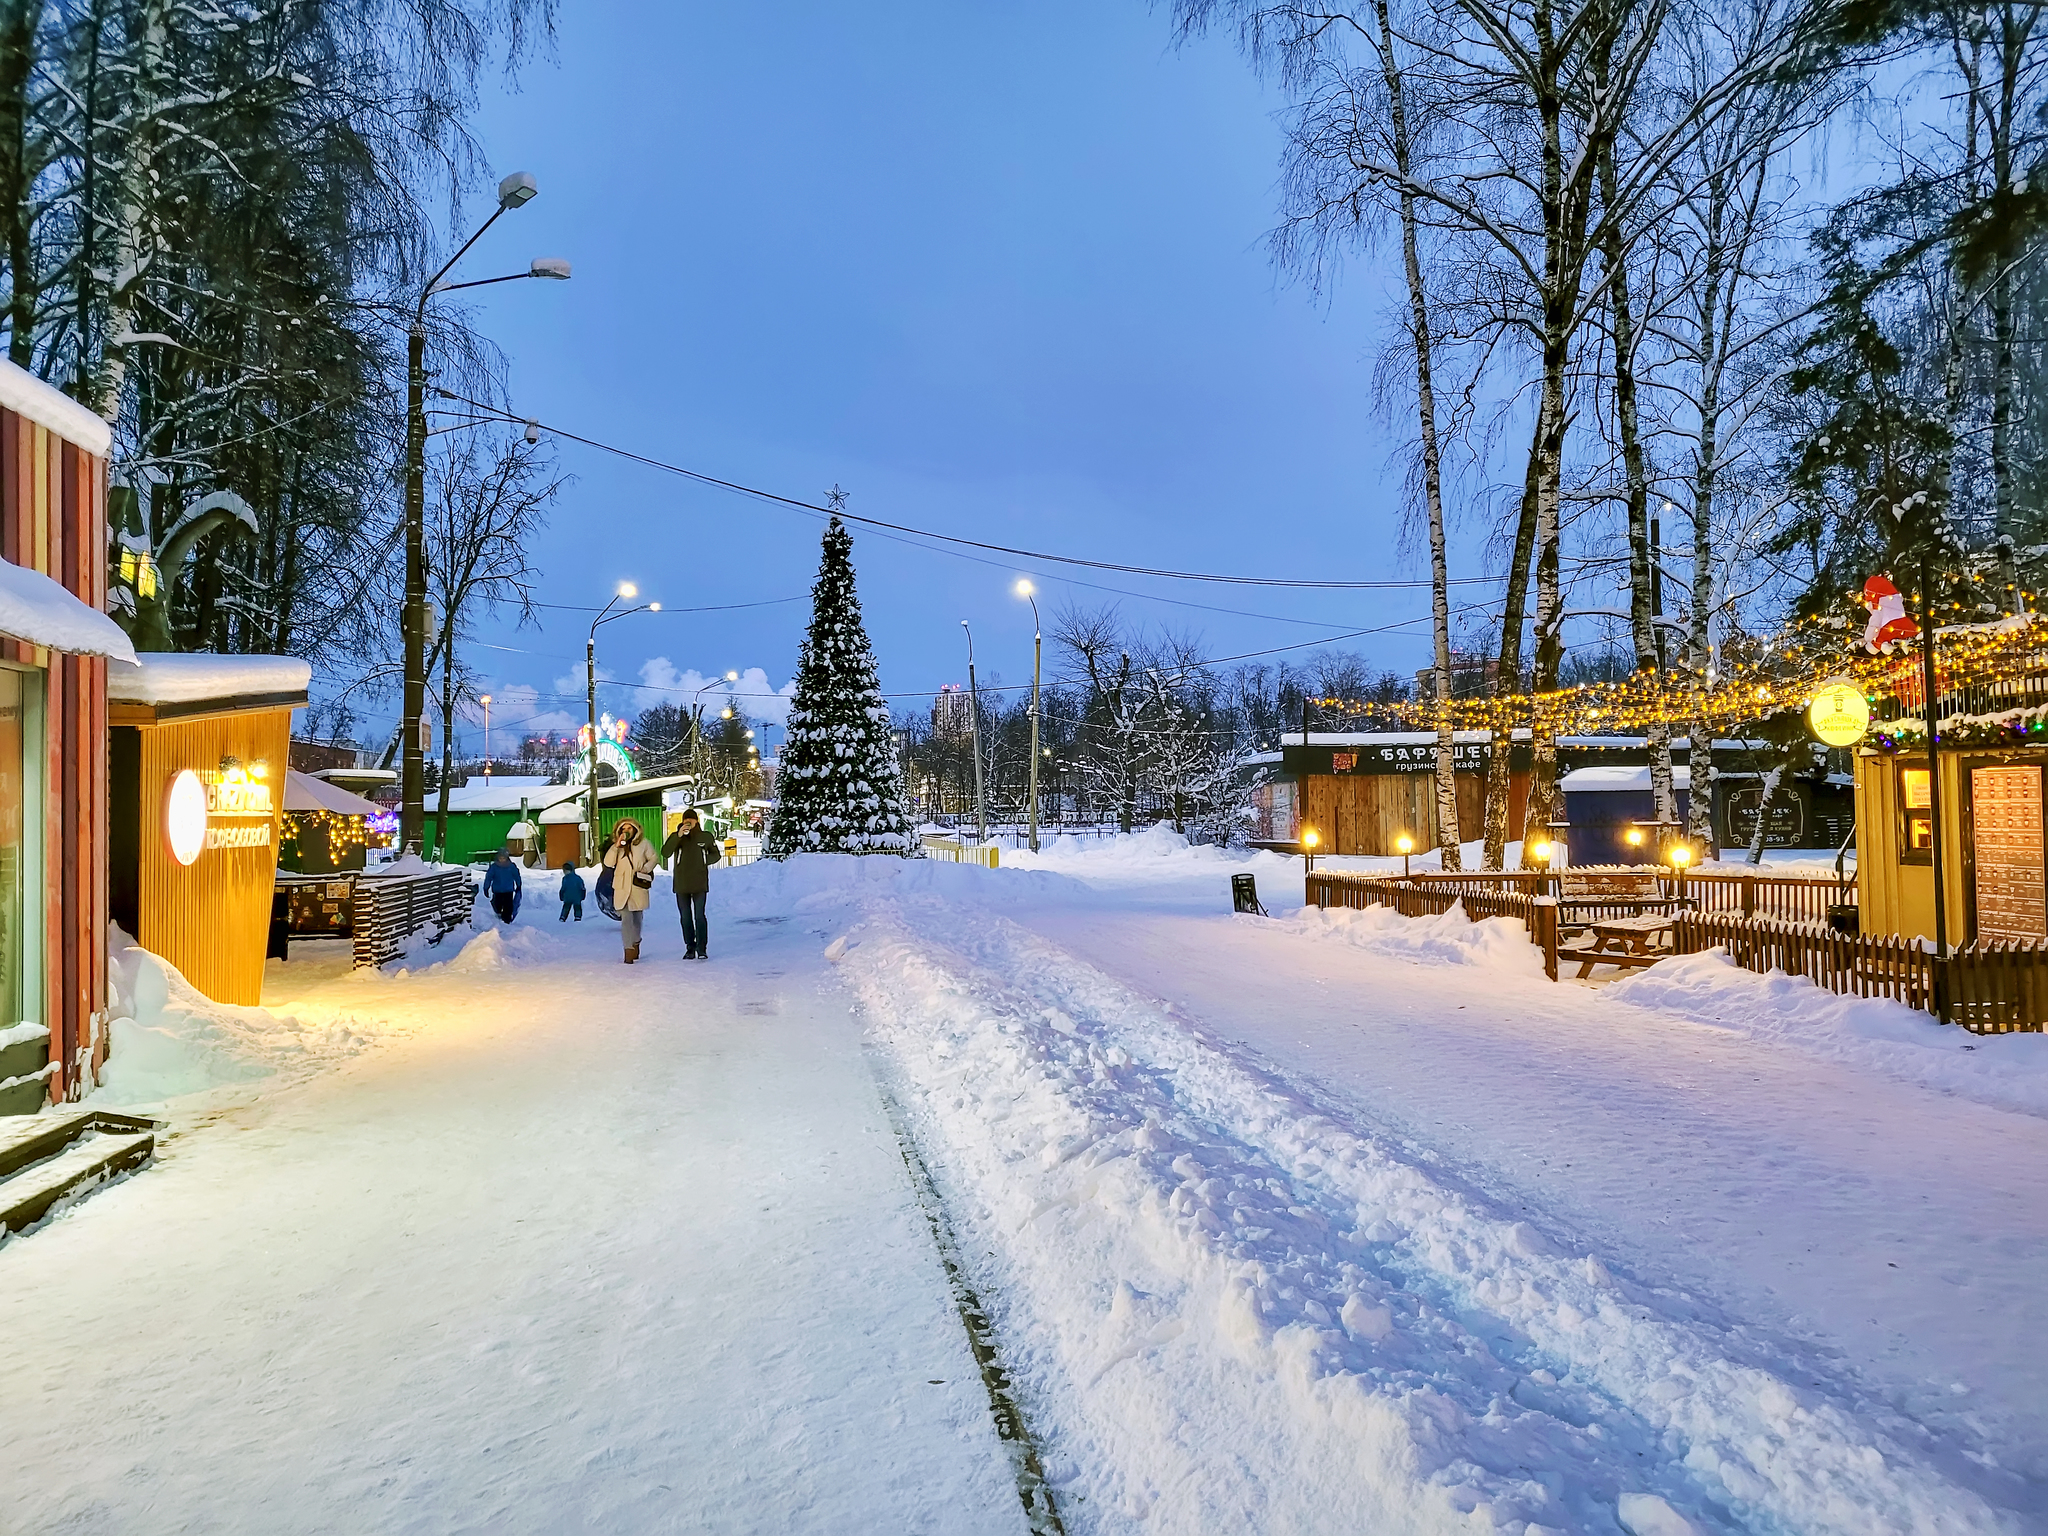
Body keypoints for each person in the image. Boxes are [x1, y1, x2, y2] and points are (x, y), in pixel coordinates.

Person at [661, 809, 722, 960]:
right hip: (681, 884)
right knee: (685, 917)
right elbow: (665, 852)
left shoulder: (705, 837)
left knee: (699, 916)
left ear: (697, 821)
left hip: (699, 882)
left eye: (691, 820)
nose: (688, 822)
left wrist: (703, 861)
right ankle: (690, 947)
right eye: (686, 820)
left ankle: (702, 948)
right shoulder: (677, 837)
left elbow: (716, 854)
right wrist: (678, 835)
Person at [602, 820, 659, 963]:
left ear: (635, 829)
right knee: (626, 919)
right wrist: (616, 846)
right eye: (623, 828)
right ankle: (628, 950)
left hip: (637, 885)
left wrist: (645, 869)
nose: (626, 830)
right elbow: (608, 863)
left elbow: (654, 858)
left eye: (629, 828)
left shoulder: (644, 843)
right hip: (621, 886)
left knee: (637, 919)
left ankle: (636, 942)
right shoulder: (617, 845)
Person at [482, 850, 522, 924]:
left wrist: (519, 885)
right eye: (500, 858)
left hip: (508, 890)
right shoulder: (494, 867)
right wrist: (486, 887)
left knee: (508, 906)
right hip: (497, 890)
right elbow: (489, 877)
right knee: (497, 905)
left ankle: (507, 920)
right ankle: (499, 915)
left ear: (507, 858)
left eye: (503, 858)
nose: (502, 860)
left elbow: (517, 876)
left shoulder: (511, 866)